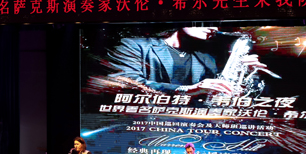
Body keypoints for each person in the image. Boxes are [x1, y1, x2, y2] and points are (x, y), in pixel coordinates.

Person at [109, 27, 273, 98]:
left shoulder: (209, 57)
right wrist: (188, 90)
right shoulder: (132, 45)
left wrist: (247, 75)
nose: (213, 28)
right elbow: (124, 84)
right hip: (142, 127)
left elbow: (223, 95)